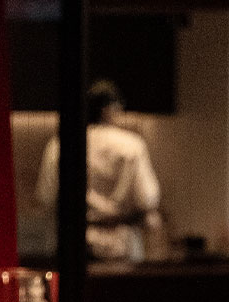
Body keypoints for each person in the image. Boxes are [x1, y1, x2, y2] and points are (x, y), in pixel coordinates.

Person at [36, 79, 161, 263]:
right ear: (109, 109)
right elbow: (147, 199)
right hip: (120, 243)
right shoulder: (132, 145)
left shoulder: (59, 145)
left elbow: (46, 197)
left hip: (72, 242)